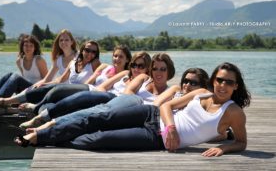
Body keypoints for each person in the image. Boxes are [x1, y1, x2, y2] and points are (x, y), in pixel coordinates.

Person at [15, 62, 251, 157]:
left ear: (235, 86)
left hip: (155, 138)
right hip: (152, 115)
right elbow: (167, 105)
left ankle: (55, 139)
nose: (222, 85)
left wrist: (222, 149)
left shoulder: (234, 113)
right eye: (220, 80)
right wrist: (172, 128)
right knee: (100, 116)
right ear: (214, 80)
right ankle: (38, 136)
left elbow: (241, 142)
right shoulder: (201, 93)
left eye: (228, 82)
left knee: (99, 140)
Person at [15, 52, 176, 141]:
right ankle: (48, 125)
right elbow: (128, 92)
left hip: (142, 113)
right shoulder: (143, 78)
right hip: (129, 102)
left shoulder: (173, 88)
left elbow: (157, 103)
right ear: (151, 70)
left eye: (163, 69)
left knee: (97, 124)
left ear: (169, 71)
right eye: (155, 69)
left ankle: (50, 128)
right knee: (97, 112)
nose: (158, 73)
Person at [19, 51, 151, 129]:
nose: (136, 68)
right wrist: (94, 94)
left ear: (147, 68)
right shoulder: (124, 74)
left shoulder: (145, 80)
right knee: (78, 98)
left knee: (79, 103)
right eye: (134, 64)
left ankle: (44, 120)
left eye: (141, 66)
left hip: (116, 101)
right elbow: (104, 86)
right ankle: (41, 115)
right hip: (105, 95)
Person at [0, 45, 131, 115]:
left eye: (121, 57)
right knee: (49, 89)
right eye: (115, 56)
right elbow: (90, 82)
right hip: (86, 90)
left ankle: (12, 110)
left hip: (97, 96)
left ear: (127, 60)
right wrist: (75, 90)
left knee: (53, 100)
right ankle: (6, 102)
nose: (116, 59)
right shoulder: (105, 67)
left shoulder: (126, 75)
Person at [0, 34, 48, 109]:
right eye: (26, 45)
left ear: (35, 48)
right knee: (9, 75)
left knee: (16, 77)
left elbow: (47, 80)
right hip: (26, 91)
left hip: (37, 92)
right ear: (22, 47)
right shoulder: (19, 61)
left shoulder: (39, 60)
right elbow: (24, 78)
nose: (28, 48)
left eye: (31, 45)